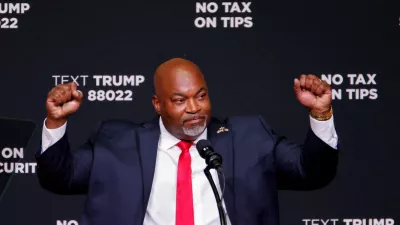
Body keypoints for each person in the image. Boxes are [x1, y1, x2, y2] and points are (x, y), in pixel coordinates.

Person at [36, 58, 339, 225]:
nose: (194, 108)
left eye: (201, 96)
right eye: (180, 100)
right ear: (158, 104)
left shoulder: (251, 137)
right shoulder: (117, 142)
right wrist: (56, 122)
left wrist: (321, 114)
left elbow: (312, 172)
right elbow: (59, 178)